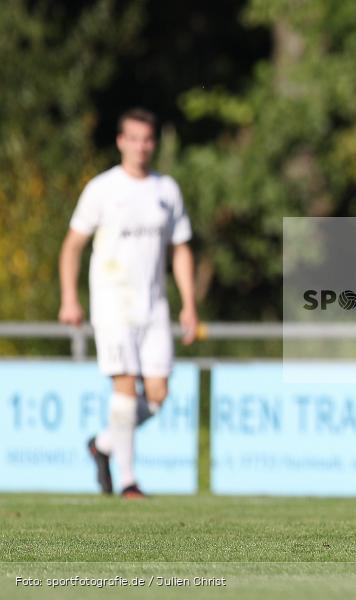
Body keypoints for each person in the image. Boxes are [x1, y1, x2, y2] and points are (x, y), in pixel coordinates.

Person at [58, 108, 197, 499]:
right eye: (133, 138)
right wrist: (69, 297)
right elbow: (72, 246)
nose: (141, 146)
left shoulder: (166, 190)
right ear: (121, 141)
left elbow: (181, 249)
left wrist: (189, 303)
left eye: (147, 139)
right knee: (124, 387)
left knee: (157, 396)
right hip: (113, 303)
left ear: (154, 143)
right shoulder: (102, 189)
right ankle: (129, 481)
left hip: (154, 307)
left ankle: (102, 445)